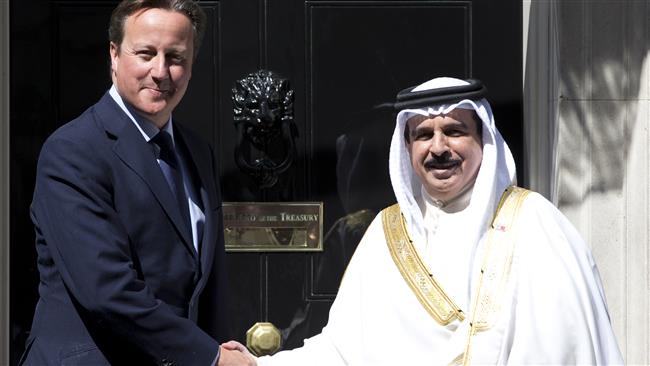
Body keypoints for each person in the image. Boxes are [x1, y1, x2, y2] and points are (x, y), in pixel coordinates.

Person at [224, 76, 624, 365]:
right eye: (423, 134)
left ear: (482, 140)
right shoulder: (385, 234)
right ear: (407, 146)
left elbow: (566, 349)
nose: (439, 148)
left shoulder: (536, 225)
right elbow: (342, 351)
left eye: (454, 131)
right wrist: (259, 365)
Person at [20, 1, 252, 365]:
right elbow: (106, 291)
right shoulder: (73, 151)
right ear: (114, 55)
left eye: (176, 57)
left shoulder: (197, 151)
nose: (161, 71)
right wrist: (210, 358)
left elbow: (206, 286)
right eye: (146, 53)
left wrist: (219, 349)